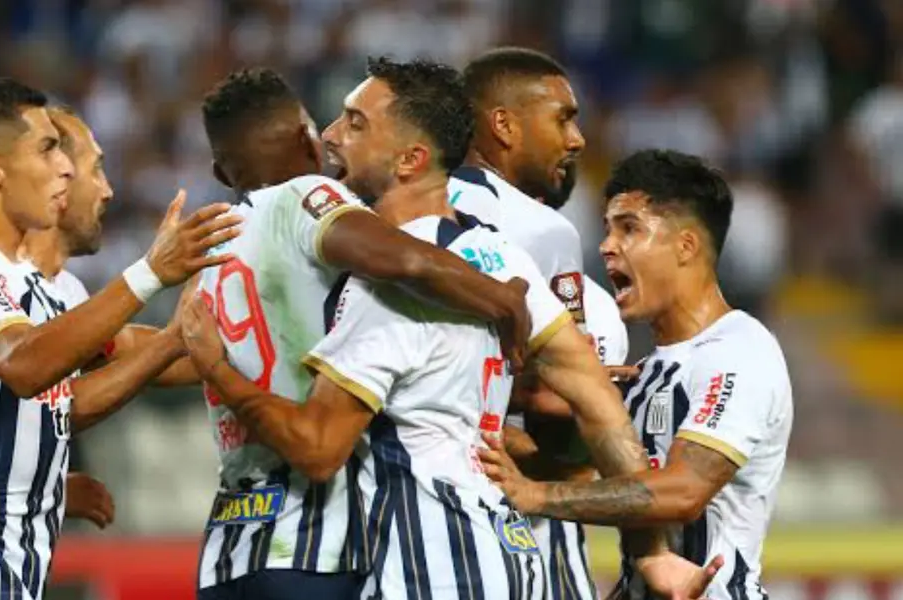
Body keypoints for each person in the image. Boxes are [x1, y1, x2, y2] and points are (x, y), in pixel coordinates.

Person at [183, 58, 715, 600]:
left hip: (429, 570)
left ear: (410, 160)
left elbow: (318, 449)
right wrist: (650, 552)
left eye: (356, 123)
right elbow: (599, 406)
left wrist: (218, 371)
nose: (331, 136)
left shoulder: (383, 293)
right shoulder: (504, 259)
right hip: (513, 562)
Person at [0, 77, 240, 600]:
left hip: (5, 581)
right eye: (47, 149)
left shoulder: (36, 288)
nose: (65, 167)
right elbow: (23, 367)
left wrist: (272, 351)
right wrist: (150, 273)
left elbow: (101, 373)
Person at [183, 66, 539, 600]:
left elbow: (171, 351)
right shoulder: (308, 197)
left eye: (350, 123)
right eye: (323, 125)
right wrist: (501, 299)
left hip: (229, 549)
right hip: (314, 545)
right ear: (304, 138)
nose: (330, 136)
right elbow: (400, 259)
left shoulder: (214, 251)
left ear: (219, 169)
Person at [480, 150, 791, 600]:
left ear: (686, 246)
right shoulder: (648, 373)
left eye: (630, 228)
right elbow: (601, 483)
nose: (607, 245)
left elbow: (684, 491)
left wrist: (536, 495)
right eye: (608, 228)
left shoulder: (740, 350)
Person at [456, 46, 632, 599]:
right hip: (520, 533)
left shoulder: (393, 218)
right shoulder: (541, 231)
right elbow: (566, 402)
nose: (577, 140)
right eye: (564, 118)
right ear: (503, 124)